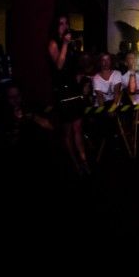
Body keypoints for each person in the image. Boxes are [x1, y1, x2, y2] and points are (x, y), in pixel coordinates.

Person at [48, 14, 88, 176]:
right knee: (68, 131)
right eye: (61, 23)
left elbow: (73, 66)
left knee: (78, 127)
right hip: (63, 91)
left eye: (66, 23)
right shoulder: (53, 43)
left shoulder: (71, 44)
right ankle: (74, 164)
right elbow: (59, 65)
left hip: (74, 88)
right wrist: (64, 44)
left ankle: (84, 160)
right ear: (56, 26)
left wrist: (80, 77)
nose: (65, 26)